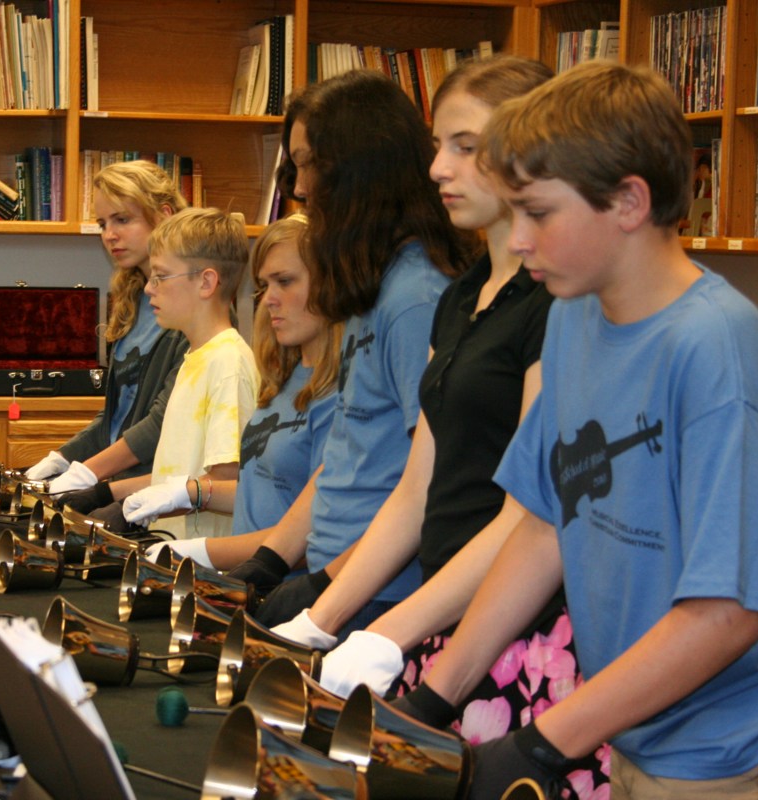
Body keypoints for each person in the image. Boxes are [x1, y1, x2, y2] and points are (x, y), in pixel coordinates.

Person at [391, 60, 758, 800]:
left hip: (742, 740)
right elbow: (546, 523)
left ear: (630, 202)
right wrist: (433, 697)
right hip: (642, 721)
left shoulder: (713, 350)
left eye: (539, 214)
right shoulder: (574, 315)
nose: (520, 239)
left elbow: (727, 612)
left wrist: (545, 743)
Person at [264, 54, 610, 795]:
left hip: (520, 633)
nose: (438, 169)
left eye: (465, 146)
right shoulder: (461, 299)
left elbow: (529, 520)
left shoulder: (558, 305)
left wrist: (387, 631)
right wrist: (322, 617)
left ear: (532, 150)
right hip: (443, 621)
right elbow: (417, 490)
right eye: (437, 146)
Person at [210, 69, 469, 637]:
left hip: (377, 596)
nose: (301, 188)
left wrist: (328, 587)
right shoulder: (370, 286)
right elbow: (350, 450)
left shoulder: (416, 298)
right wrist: (271, 561)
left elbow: (427, 483)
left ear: (361, 167)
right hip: (337, 582)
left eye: (311, 164)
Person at [125, 214, 340, 560]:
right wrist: (191, 493)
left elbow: (320, 532)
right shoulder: (280, 383)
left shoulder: (339, 395)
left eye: (284, 281)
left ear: (332, 286)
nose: (268, 299)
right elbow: (258, 491)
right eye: (264, 285)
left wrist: (203, 552)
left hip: (279, 577)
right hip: (248, 574)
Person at [73, 207, 258, 539]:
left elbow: (227, 481)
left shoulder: (227, 364)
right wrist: (106, 494)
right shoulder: (196, 357)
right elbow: (176, 475)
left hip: (200, 557)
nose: (148, 288)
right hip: (170, 546)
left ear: (206, 282)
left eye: (160, 277)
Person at [25, 160, 189, 495]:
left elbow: (164, 421)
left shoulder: (194, 305)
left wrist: (88, 473)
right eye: (103, 223)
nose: (109, 235)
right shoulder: (132, 299)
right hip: (120, 484)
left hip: (156, 493)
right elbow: (117, 416)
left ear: (164, 216)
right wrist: (63, 458)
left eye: (122, 219)